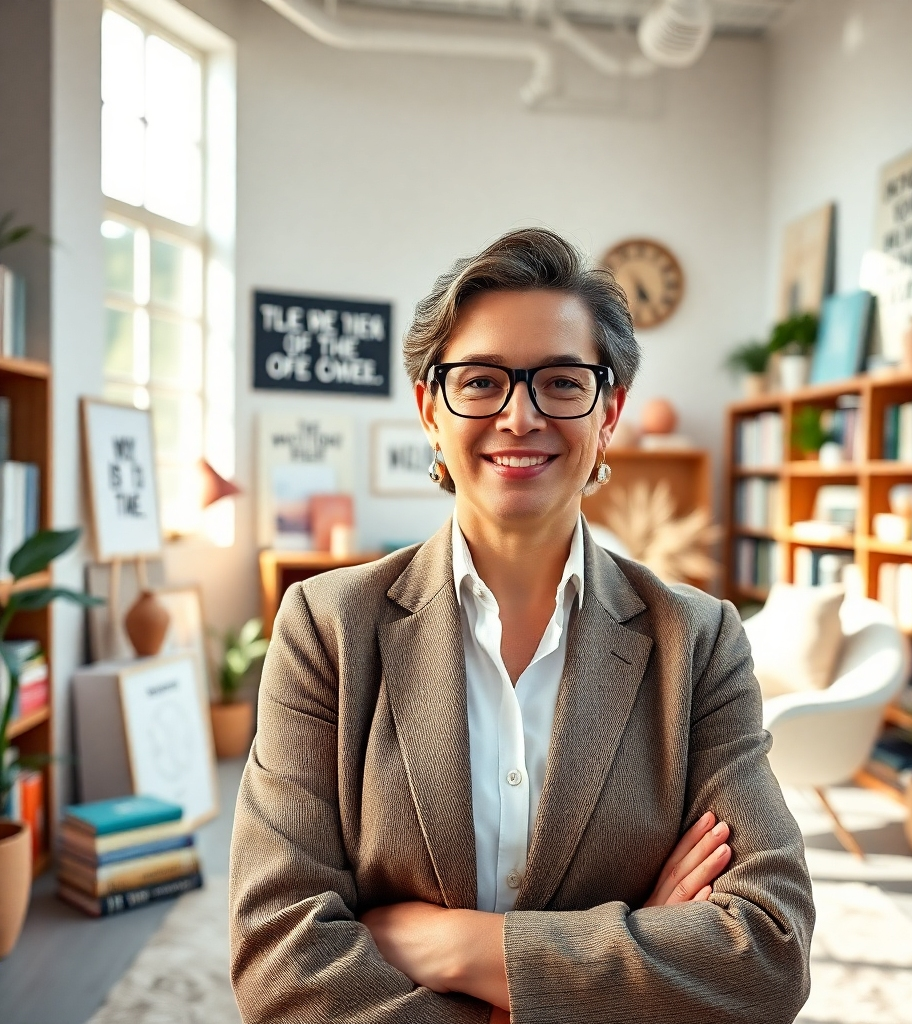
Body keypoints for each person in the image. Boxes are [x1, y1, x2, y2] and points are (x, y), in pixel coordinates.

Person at [229, 228, 814, 1024]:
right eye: (481, 382)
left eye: (561, 383)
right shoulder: (325, 629)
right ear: (430, 409)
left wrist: (464, 951)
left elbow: (768, 955)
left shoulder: (699, 642)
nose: (519, 415)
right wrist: (628, 952)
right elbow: (279, 960)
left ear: (608, 412)